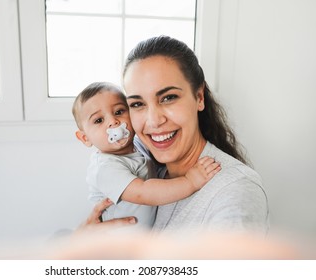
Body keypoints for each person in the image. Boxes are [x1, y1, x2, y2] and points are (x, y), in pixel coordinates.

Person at [81, 36, 269, 235]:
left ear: (199, 97)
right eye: (137, 104)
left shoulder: (235, 192)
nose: (154, 121)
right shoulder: (138, 156)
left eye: (168, 98)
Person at [72, 81, 221, 228]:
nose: (113, 122)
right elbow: (143, 193)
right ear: (85, 138)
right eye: (99, 120)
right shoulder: (104, 168)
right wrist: (190, 182)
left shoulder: (138, 144)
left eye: (119, 112)